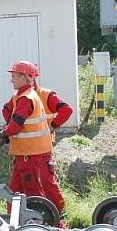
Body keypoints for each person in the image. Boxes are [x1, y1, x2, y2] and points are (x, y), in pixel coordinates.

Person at [0, 60, 56, 219]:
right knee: (15, 190)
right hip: (25, 154)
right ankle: (13, 222)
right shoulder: (21, 96)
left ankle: (42, 222)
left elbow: (16, 126)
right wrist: (8, 127)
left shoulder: (26, 98)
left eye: (14, 76)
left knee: (33, 193)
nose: (11, 80)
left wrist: (6, 131)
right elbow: (8, 111)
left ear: (25, 77)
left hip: (31, 154)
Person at [30, 62, 73, 217]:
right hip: (26, 149)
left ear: (33, 77)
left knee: (47, 182)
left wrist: (53, 126)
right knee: (24, 185)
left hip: (43, 148)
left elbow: (66, 110)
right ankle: (32, 215)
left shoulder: (46, 95)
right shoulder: (19, 97)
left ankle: (61, 214)